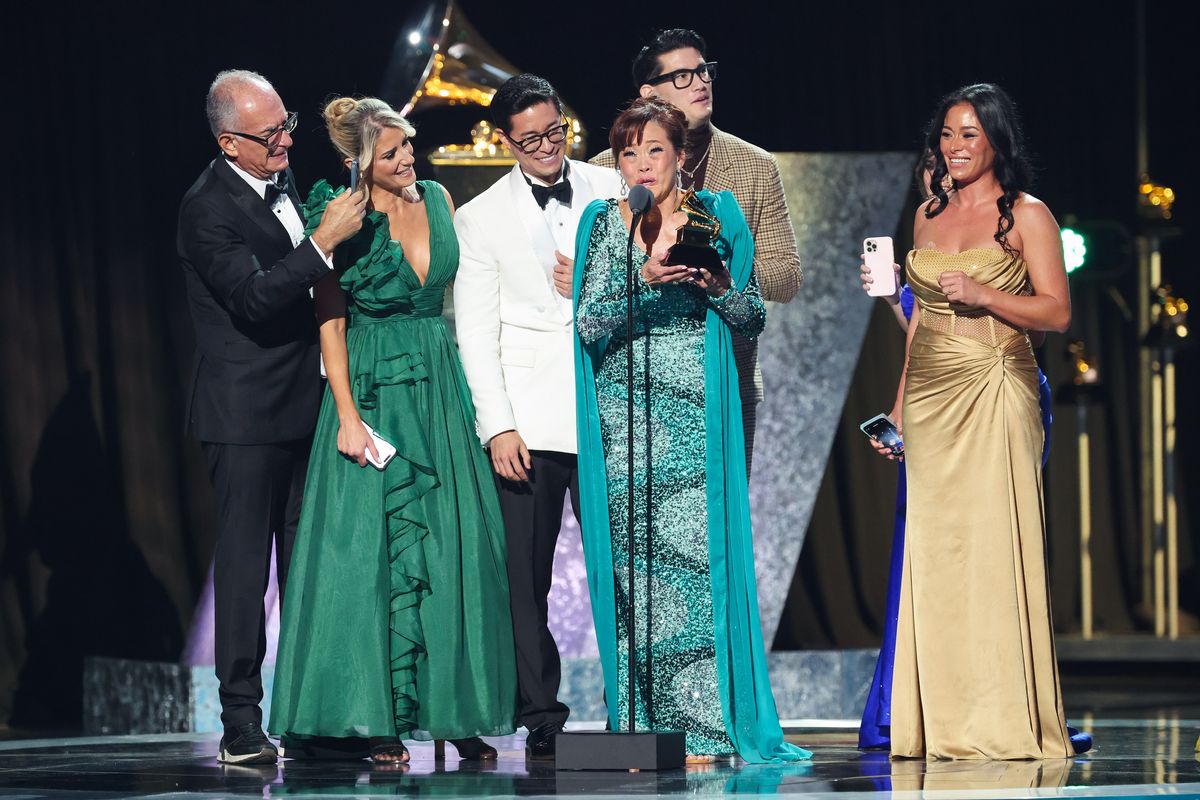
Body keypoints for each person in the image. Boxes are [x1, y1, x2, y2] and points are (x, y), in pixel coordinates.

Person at [268, 97, 516, 764]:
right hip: (372, 392)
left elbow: (466, 294)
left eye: (408, 145)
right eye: (391, 152)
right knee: (368, 559)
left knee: (447, 549)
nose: (407, 158)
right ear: (359, 164)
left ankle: (452, 712)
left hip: (437, 389)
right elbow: (330, 320)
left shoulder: (437, 198)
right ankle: (373, 718)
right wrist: (347, 416)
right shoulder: (340, 212)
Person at [572, 97, 810, 764]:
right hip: (624, 424)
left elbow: (751, 316)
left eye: (654, 150)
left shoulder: (717, 214)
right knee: (634, 575)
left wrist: (720, 284)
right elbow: (588, 324)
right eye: (628, 152)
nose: (642, 163)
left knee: (691, 567)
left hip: (695, 416)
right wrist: (643, 279)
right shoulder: (602, 224)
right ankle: (639, 727)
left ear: (680, 155)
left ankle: (701, 727)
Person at [178, 69, 366, 764]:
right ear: (230, 143)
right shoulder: (205, 209)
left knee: (309, 569)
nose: (288, 139)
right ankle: (240, 724)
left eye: (287, 123)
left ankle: (312, 712)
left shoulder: (282, 180)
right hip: (244, 417)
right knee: (246, 573)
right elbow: (254, 301)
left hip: (305, 408)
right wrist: (321, 245)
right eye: (271, 133)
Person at [883, 84, 1073, 760]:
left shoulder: (1027, 215)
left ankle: (1002, 724)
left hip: (997, 385)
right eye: (946, 134)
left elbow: (1056, 313)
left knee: (995, 549)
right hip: (933, 397)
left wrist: (985, 293)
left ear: (995, 141)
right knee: (937, 556)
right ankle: (941, 725)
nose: (954, 147)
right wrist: (900, 409)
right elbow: (920, 326)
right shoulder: (928, 217)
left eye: (968, 134)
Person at [453, 74, 621, 760]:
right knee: (527, 577)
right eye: (532, 139)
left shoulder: (612, 190)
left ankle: (634, 704)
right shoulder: (480, 217)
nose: (549, 146)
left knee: (625, 568)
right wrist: (497, 426)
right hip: (529, 421)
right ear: (505, 142)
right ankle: (542, 716)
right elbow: (475, 329)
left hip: (608, 407)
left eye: (557, 132)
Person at [590, 28, 801, 473]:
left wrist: (721, 267)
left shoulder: (756, 166)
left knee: (721, 522)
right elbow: (587, 287)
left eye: (704, 71)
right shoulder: (604, 169)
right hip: (628, 387)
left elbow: (787, 275)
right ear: (649, 92)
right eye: (683, 76)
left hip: (727, 375)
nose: (701, 82)